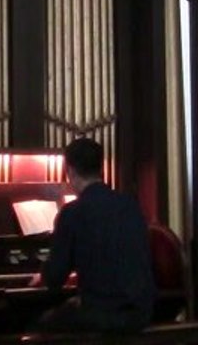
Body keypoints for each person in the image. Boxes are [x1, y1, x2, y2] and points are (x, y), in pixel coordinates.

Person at [29, 137, 156, 333]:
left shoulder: (73, 212)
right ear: (101, 168)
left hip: (104, 314)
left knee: (40, 325)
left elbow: (55, 278)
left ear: (69, 171)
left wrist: (43, 274)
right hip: (140, 312)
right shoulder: (130, 205)